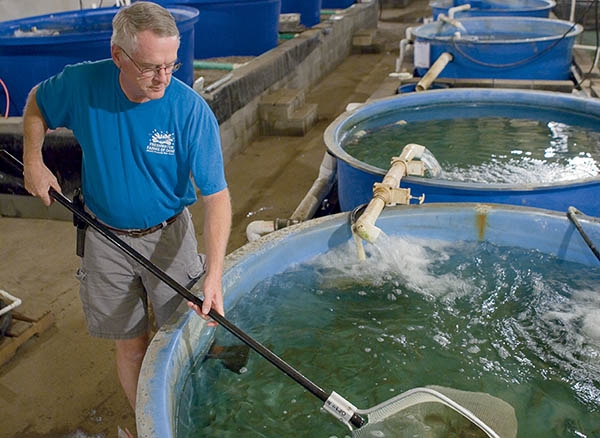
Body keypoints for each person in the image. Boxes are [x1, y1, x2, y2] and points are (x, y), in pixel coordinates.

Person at [21, 1, 231, 412]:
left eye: (171, 64)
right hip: (104, 238)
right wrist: (33, 161)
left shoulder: (190, 111)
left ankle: (196, 412)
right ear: (118, 55)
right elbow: (36, 103)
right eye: (152, 66)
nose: (164, 78)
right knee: (131, 344)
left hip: (170, 236)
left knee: (186, 335)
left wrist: (215, 276)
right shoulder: (83, 84)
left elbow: (217, 197)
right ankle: (148, 422)